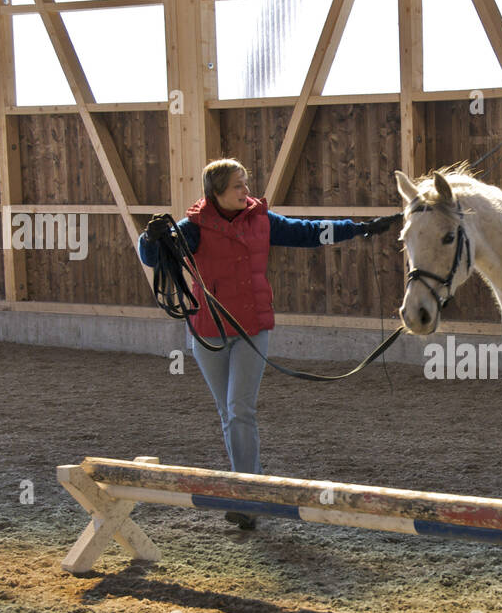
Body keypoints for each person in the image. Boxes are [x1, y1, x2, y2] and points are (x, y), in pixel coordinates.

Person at [138, 158, 400, 530]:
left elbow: (308, 232)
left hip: (252, 328)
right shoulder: (192, 229)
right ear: (216, 193)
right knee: (228, 413)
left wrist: (358, 230)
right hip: (208, 330)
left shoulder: (261, 219)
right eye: (237, 187)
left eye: (246, 184)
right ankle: (253, 485)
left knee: (239, 407)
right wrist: (147, 238)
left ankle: (247, 496)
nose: (246, 192)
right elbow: (154, 257)